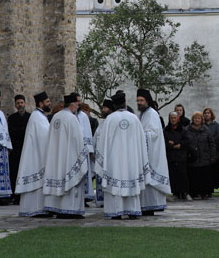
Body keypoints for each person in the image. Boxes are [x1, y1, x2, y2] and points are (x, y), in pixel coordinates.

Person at [95, 91, 149, 219]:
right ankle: (132, 211)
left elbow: (102, 142)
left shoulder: (110, 119)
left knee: (115, 183)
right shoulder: (134, 118)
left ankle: (115, 211)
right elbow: (142, 141)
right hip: (132, 159)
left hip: (114, 160)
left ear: (113, 105)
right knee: (131, 180)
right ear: (125, 103)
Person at [43, 93, 89, 218]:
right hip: (69, 157)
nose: (79, 106)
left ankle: (57, 208)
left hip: (56, 157)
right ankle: (71, 209)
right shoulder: (72, 118)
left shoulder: (55, 117)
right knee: (70, 181)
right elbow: (77, 140)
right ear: (73, 104)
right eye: (78, 104)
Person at [136, 89, 171, 215]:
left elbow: (154, 133)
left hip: (152, 153)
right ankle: (145, 206)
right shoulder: (141, 114)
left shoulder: (152, 113)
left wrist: (140, 135)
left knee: (150, 181)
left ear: (147, 101)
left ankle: (151, 206)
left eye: (141, 100)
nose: (139, 103)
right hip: (144, 153)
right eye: (138, 100)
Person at [16, 91, 50, 217]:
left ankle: (40, 208)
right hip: (37, 156)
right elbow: (43, 137)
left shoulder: (40, 116)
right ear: (40, 103)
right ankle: (35, 209)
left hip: (40, 154)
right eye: (47, 102)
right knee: (36, 185)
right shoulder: (37, 118)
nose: (49, 103)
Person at [185, 111, 216, 199]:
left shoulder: (206, 129)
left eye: (198, 118)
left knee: (204, 176)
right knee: (193, 176)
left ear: (201, 119)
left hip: (204, 157)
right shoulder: (187, 129)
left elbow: (211, 143)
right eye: (195, 118)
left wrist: (213, 156)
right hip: (192, 158)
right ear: (192, 119)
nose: (197, 120)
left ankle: (204, 193)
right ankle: (193, 193)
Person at [70, 92, 94, 203]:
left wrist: (89, 150)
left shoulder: (83, 116)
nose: (79, 103)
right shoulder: (69, 116)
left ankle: (83, 197)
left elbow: (88, 133)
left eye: (80, 101)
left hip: (82, 150)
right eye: (77, 101)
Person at [7, 94, 30, 204]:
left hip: (26, 150)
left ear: (25, 103)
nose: (20, 105)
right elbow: (12, 133)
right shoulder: (11, 118)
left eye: (22, 103)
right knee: (15, 173)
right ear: (15, 105)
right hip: (16, 151)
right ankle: (15, 196)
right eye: (18, 103)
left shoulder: (30, 117)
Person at [164, 112, 190, 200]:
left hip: (181, 156)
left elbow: (186, 141)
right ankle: (175, 193)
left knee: (182, 175)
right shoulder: (166, 130)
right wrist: (173, 145)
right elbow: (165, 142)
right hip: (171, 156)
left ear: (177, 119)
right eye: (171, 118)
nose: (173, 120)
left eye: (175, 118)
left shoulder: (183, 130)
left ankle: (185, 192)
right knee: (173, 176)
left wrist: (178, 144)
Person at [203, 107, 219, 192]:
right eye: (205, 113)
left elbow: (218, 136)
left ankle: (212, 188)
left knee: (213, 171)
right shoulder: (202, 125)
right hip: (204, 151)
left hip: (214, 150)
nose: (207, 114)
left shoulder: (216, 125)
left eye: (208, 113)